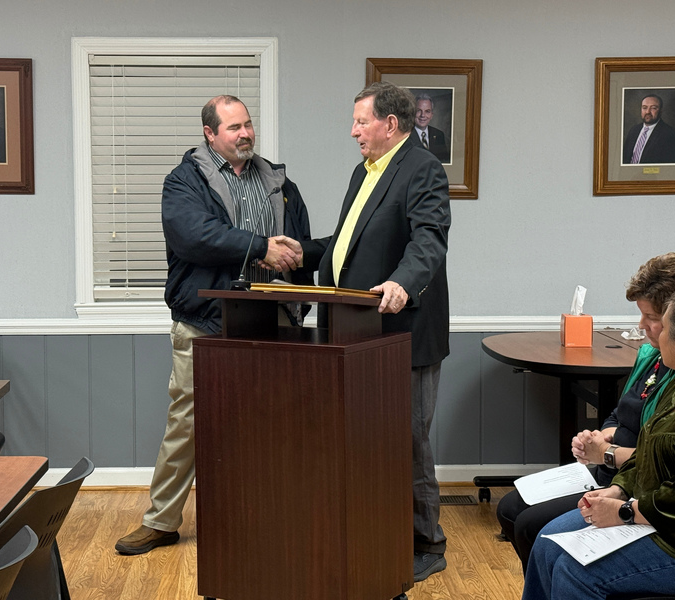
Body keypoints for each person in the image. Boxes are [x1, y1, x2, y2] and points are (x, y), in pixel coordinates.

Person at [114, 95, 312, 555]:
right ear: (209, 133)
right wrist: (260, 247)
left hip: (272, 321)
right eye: (234, 127)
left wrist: (299, 292)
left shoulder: (279, 181)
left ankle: (268, 516)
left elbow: (299, 243)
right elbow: (194, 237)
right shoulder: (184, 181)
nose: (245, 134)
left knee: (274, 422)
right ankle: (161, 521)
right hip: (205, 321)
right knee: (187, 422)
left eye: (248, 125)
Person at [295, 81, 451, 582]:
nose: (353, 131)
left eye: (361, 121)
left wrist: (403, 282)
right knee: (367, 442)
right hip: (355, 332)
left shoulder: (422, 167)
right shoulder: (365, 170)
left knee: (408, 442)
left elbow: (429, 239)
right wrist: (302, 252)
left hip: (404, 332)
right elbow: (348, 241)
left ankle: (427, 543)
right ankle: (379, 532)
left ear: (391, 124)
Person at [496, 252, 675, 572]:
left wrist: (606, 455)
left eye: (652, 317)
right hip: (618, 477)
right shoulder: (653, 358)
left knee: (534, 529)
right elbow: (621, 413)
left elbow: (662, 462)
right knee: (510, 508)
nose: (641, 325)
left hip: (637, 488)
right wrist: (602, 434)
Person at [622, 93, 675, 165]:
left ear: (661, 111)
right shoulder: (634, 130)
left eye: (653, 108)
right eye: (644, 108)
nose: (648, 112)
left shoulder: (671, 135)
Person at [410, 94, 450, 163]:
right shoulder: (405, 134)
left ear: (431, 115)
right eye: (419, 110)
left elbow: (444, 162)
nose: (422, 115)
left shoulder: (439, 135)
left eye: (427, 111)